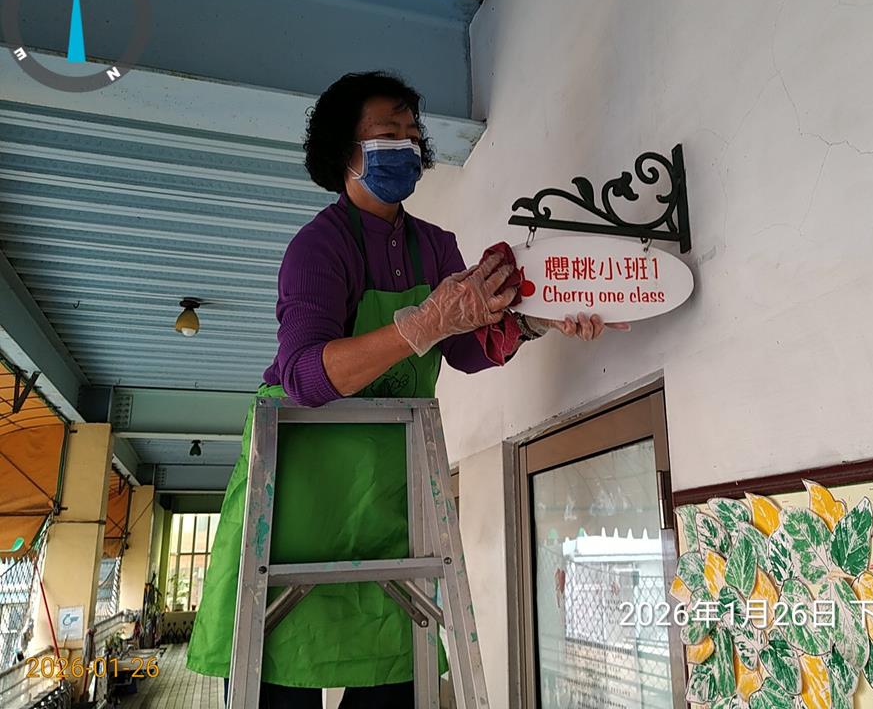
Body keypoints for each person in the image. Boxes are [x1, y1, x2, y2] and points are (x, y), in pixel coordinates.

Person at [187, 71, 628, 708]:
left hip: (384, 501)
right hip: (293, 507)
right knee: (279, 667)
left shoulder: (435, 247)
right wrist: (419, 324)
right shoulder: (318, 248)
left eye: (413, 133)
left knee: (397, 670)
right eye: (387, 133)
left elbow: (467, 348)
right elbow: (305, 376)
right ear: (344, 150)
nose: (408, 143)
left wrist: (539, 320)